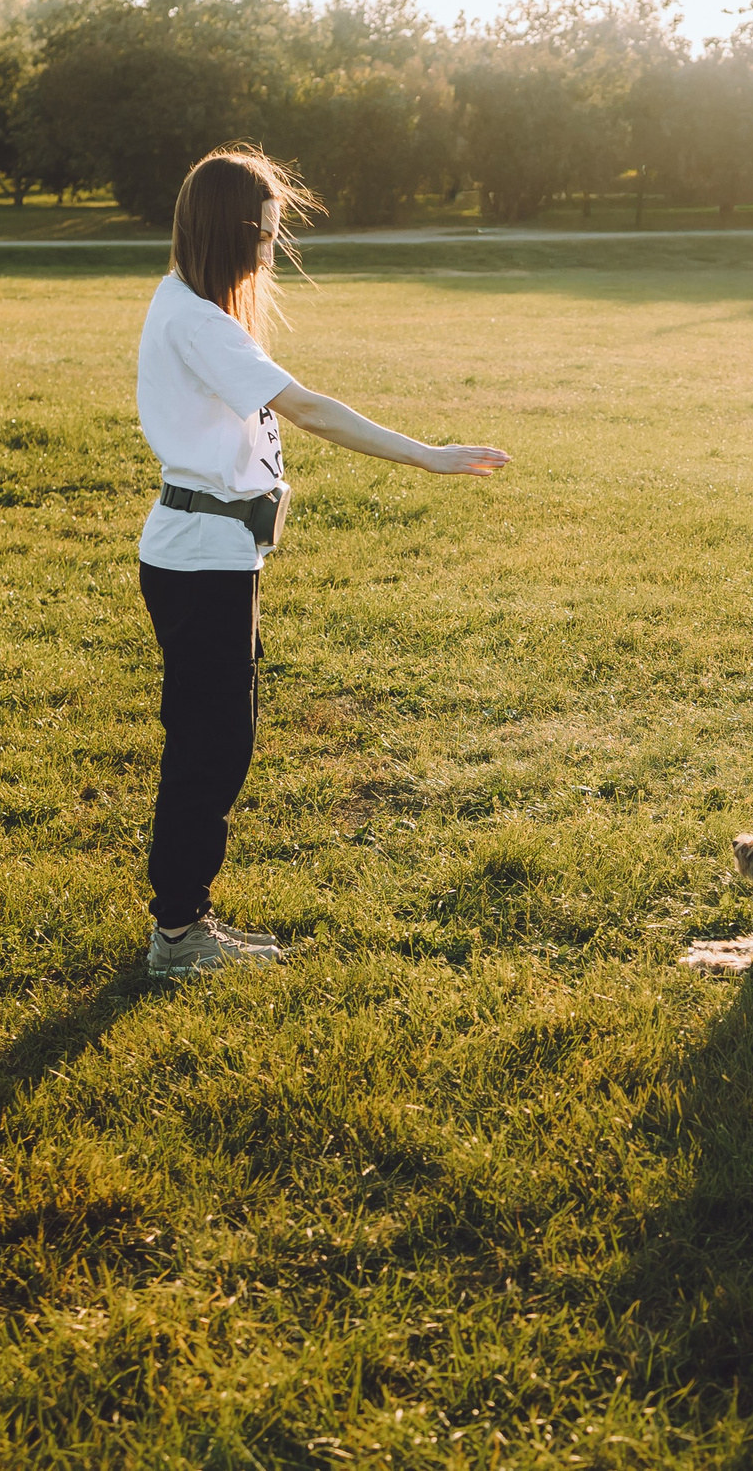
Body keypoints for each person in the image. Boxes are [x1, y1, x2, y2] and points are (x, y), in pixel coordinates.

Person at [135, 145, 509, 978]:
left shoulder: (194, 305)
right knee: (211, 746)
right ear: (224, 231)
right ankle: (178, 935)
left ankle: (184, 921)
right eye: (261, 237)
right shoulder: (197, 320)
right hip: (200, 563)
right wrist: (428, 455)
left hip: (214, 557)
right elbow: (307, 409)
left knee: (217, 739)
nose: (270, 252)